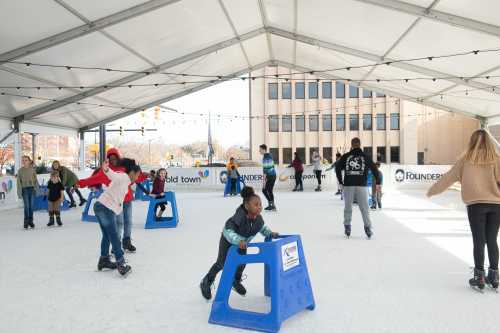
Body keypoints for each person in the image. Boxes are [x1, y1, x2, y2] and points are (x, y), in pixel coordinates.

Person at [427, 129, 500, 291]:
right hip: (496, 205)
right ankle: (494, 276)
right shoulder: (496, 159)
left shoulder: (465, 160)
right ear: (488, 142)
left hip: (476, 205)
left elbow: (447, 178)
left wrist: (432, 191)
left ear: (472, 141)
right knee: (492, 239)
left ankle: (479, 276)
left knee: (479, 240)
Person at [199, 186, 279, 300]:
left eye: (260, 204)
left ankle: (235, 281)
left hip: (242, 243)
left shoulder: (258, 218)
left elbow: (262, 228)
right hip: (228, 241)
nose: (259, 207)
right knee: (221, 263)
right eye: (256, 205)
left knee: (242, 263)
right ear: (246, 206)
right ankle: (206, 281)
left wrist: (270, 234)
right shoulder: (239, 217)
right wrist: (238, 241)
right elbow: (229, 231)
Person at [79, 148, 147, 253]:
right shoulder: (105, 171)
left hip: (127, 198)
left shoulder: (125, 166)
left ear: (118, 157)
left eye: (115, 158)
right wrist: (80, 183)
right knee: (119, 222)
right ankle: (117, 245)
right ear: (108, 159)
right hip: (115, 201)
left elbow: (136, 176)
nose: (113, 160)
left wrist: (146, 176)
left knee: (128, 221)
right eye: (111, 158)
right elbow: (92, 179)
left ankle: (127, 241)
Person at [90, 158, 140, 276]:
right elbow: (113, 176)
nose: (137, 178)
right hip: (104, 207)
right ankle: (121, 264)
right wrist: (106, 169)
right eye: (137, 175)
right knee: (114, 235)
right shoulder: (123, 177)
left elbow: (117, 199)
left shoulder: (125, 182)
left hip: (101, 207)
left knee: (107, 235)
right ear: (132, 172)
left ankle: (104, 260)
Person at [336, 138, 380, 239]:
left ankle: (347, 226)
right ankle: (368, 228)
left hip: (348, 185)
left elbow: (338, 168)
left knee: (348, 207)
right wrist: (377, 182)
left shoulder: (346, 156)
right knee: (364, 208)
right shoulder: (365, 156)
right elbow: (374, 168)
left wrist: (341, 182)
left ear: (351, 145)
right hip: (362, 185)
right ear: (360, 144)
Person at [17, 155, 39, 229]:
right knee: (27, 206)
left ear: (29, 161)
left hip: (32, 189)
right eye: (23, 160)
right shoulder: (20, 171)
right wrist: (19, 192)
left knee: (31, 206)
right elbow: (18, 182)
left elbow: (35, 180)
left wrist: (37, 190)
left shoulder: (32, 170)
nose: (24, 161)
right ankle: (26, 221)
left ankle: (31, 221)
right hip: (24, 190)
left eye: (26, 160)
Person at [260, 144, 277, 211]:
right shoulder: (266, 156)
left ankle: (272, 205)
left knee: (266, 190)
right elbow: (266, 169)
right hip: (271, 175)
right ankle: (271, 205)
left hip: (271, 176)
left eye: (260, 150)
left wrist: (264, 179)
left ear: (264, 150)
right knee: (267, 190)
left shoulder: (267, 156)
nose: (259, 151)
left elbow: (267, 168)